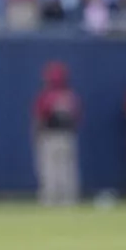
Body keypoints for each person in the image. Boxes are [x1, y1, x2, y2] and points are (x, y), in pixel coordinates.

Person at [32, 61, 81, 206]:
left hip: (50, 136)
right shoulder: (70, 95)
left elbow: (39, 118)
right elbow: (77, 117)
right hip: (67, 136)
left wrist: (36, 135)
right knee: (67, 170)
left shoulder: (46, 96)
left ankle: (50, 200)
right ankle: (69, 200)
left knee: (50, 170)